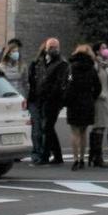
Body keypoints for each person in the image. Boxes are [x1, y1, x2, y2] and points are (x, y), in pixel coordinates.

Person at [31, 37, 69, 166]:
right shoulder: (42, 62)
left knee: (47, 127)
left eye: (55, 47)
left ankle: (45, 156)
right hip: (41, 99)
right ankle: (57, 156)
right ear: (46, 48)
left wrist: (50, 96)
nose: (53, 49)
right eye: (50, 47)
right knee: (48, 128)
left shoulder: (62, 64)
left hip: (53, 101)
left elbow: (59, 84)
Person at [64, 44, 101, 171]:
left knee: (74, 132)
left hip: (74, 102)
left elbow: (68, 84)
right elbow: (98, 87)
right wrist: (92, 97)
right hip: (87, 102)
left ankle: (75, 159)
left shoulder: (71, 68)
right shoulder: (91, 69)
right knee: (84, 132)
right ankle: (82, 159)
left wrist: (66, 100)